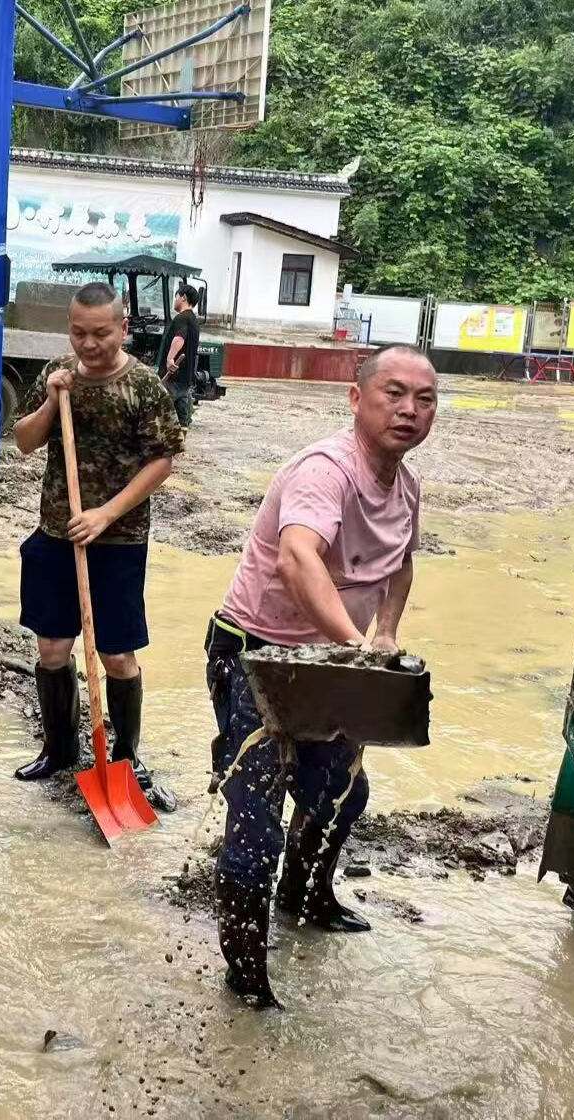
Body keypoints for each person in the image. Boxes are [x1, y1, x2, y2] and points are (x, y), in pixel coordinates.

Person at [205, 345, 438, 1008]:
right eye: (394, 393)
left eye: (424, 400)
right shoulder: (324, 472)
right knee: (256, 822)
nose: (409, 410)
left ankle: (304, 900)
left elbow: (399, 563)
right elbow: (297, 560)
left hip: (332, 663)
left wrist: (384, 635)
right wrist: (354, 650)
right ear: (356, 399)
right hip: (261, 657)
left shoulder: (406, 484)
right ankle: (246, 979)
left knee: (341, 793)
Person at [9, 282, 186, 812]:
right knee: (52, 649)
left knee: (116, 654)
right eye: (79, 332)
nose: (89, 344)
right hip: (55, 532)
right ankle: (59, 750)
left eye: (101, 334)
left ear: (123, 328)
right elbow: (23, 439)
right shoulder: (59, 373)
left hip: (119, 540)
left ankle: (126, 760)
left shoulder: (144, 386)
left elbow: (162, 460)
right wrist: (52, 398)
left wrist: (107, 512)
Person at [158, 284, 202, 427]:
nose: (175, 300)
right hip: (185, 379)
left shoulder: (181, 318)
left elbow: (179, 339)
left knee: (160, 416)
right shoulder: (194, 321)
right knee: (181, 421)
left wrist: (170, 358)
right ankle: (180, 444)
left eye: (176, 296)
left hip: (173, 378)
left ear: (183, 298)